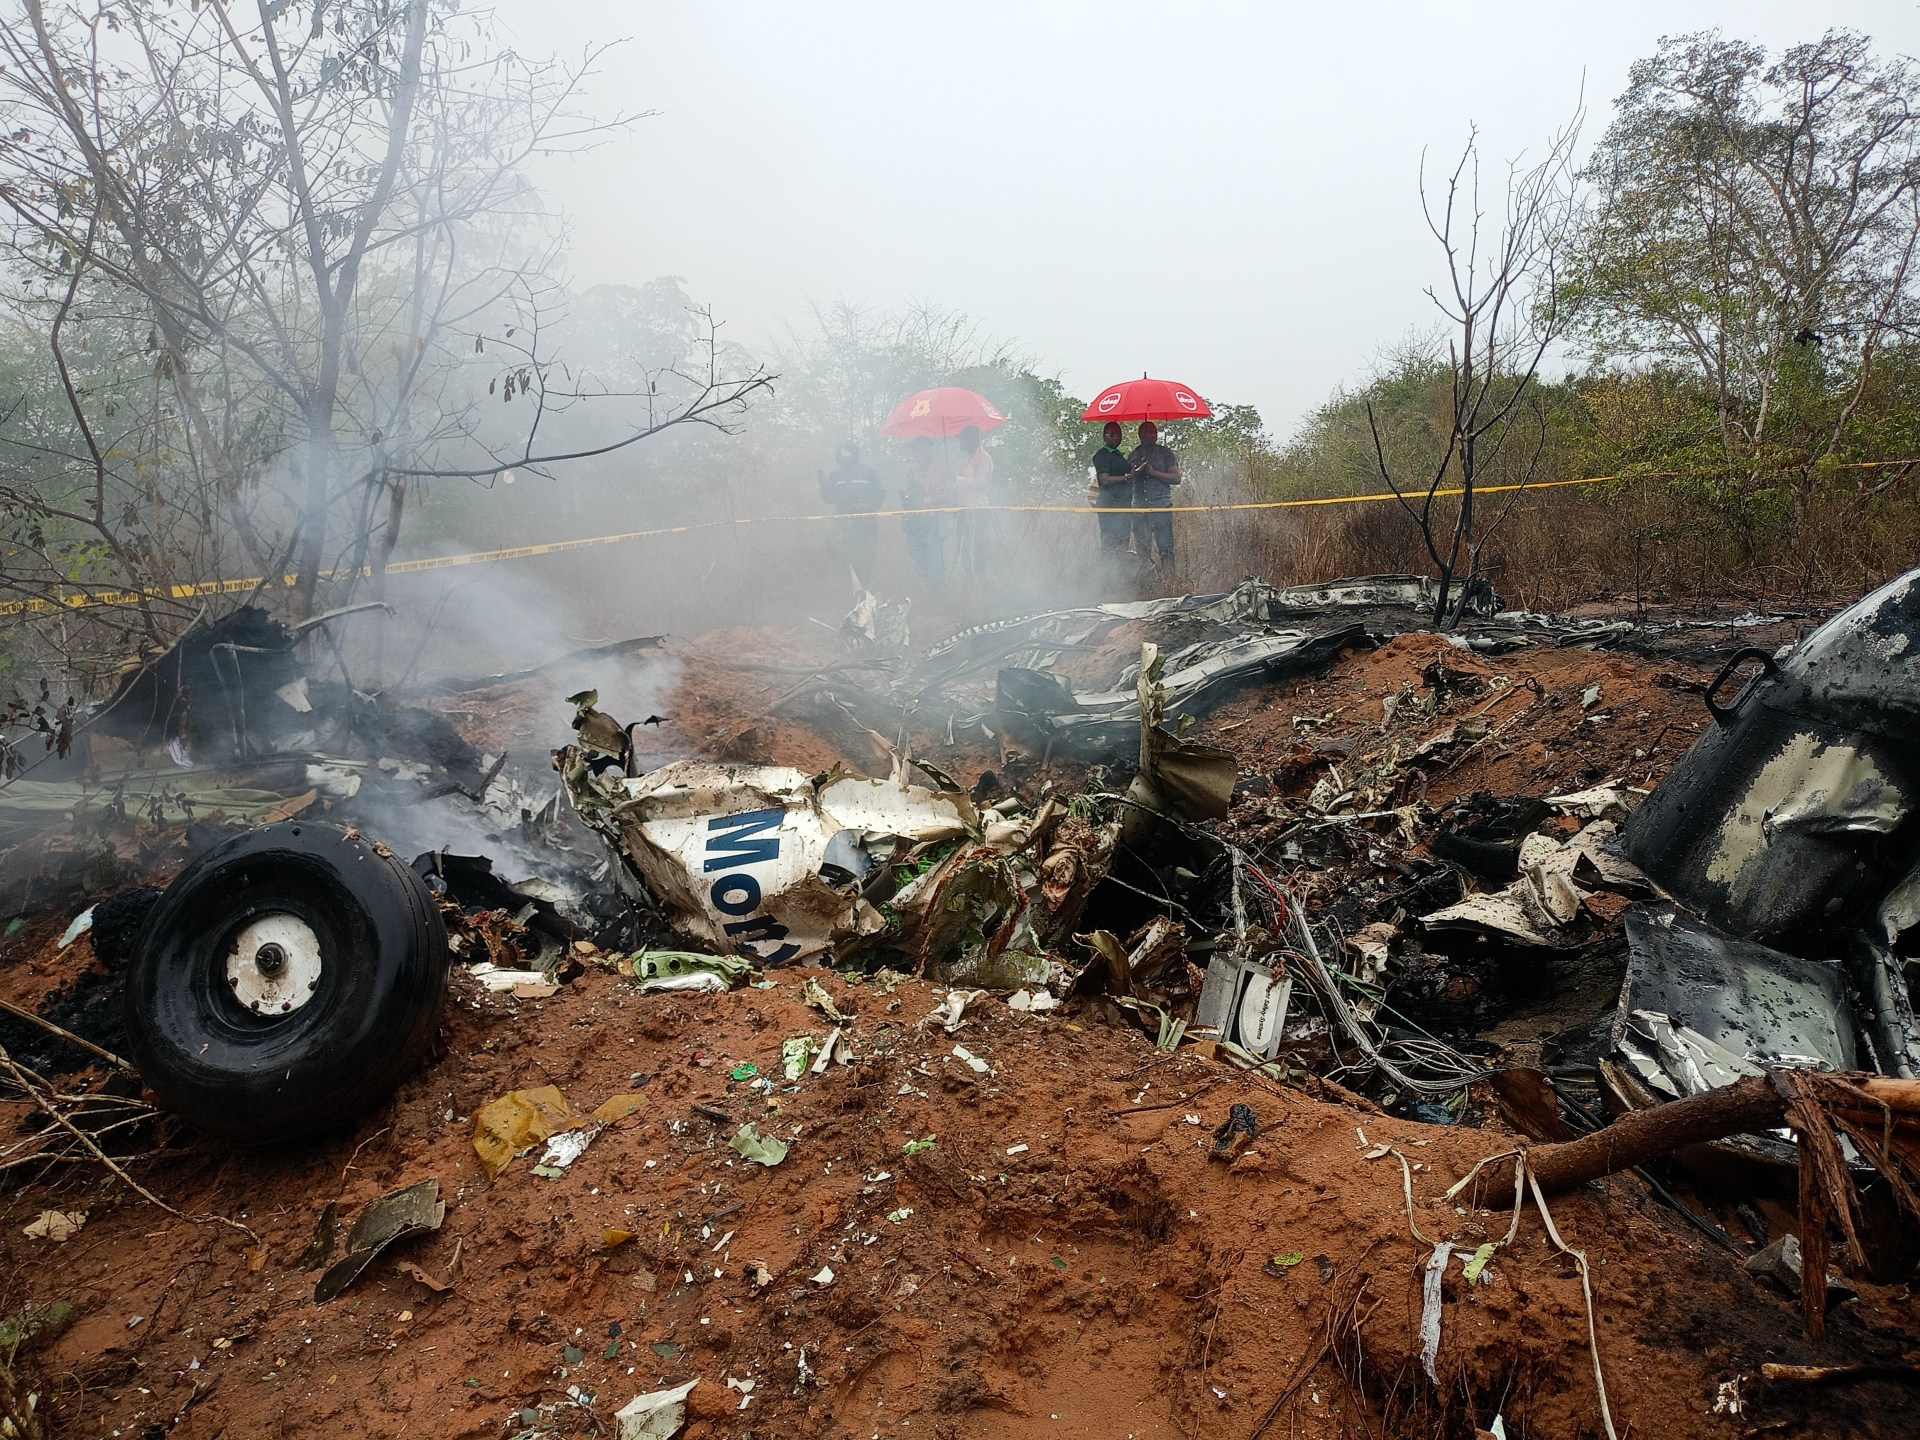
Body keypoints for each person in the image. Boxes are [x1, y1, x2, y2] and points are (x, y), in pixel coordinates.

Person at [817, 439, 886, 588]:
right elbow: (829, 499)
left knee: (865, 558)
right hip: (842, 523)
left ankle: (866, 590)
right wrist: (823, 485)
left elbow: (880, 493)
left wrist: (868, 507)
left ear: (855, 453)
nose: (845, 456)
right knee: (840, 555)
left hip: (865, 522)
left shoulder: (868, 471)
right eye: (842, 453)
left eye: (847, 452)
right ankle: (846, 590)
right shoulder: (835, 475)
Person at [1128, 420, 1182, 574]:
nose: (1153, 435)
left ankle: (1170, 583)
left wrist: (1153, 472)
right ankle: (1147, 582)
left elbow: (1176, 478)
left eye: (1154, 432)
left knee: (1166, 550)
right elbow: (1127, 482)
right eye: (1149, 432)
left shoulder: (1165, 453)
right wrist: (1133, 473)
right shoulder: (1133, 456)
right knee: (1142, 552)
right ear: (1140, 435)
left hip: (1161, 507)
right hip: (1139, 509)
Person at [899, 434, 952, 590]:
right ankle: (925, 593)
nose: (913, 453)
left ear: (926, 450)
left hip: (933, 520)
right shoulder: (912, 471)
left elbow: (948, 495)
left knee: (934, 560)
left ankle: (938, 594)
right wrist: (904, 517)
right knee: (917, 558)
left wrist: (925, 500)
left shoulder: (941, 469)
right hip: (914, 521)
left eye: (916, 449)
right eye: (912, 450)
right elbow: (908, 497)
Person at [1088, 420, 1136, 576]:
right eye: (1113, 434)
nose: (1117, 438)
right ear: (1105, 436)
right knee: (1110, 544)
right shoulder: (1101, 455)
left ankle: (1119, 577)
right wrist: (1125, 478)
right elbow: (1105, 480)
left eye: (1119, 435)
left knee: (1122, 544)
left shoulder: (1118, 455)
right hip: (1110, 506)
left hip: (1124, 506)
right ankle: (1106, 578)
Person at [953, 423, 995, 577]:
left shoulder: (983, 457)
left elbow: (982, 483)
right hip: (964, 509)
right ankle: (968, 581)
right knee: (963, 549)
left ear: (972, 439)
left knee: (977, 549)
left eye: (962, 439)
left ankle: (981, 581)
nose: (960, 442)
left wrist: (958, 480)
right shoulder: (967, 459)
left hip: (978, 510)